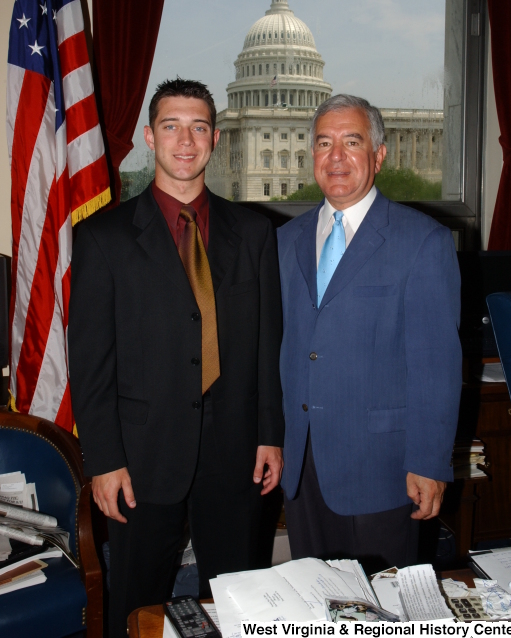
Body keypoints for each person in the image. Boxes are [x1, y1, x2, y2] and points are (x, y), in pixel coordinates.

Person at [69, 78, 284, 637]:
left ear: (215, 140)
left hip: (236, 453)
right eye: (171, 126)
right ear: (148, 137)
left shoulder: (257, 233)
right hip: (140, 459)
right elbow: (90, 364)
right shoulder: (102, 237)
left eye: (197, 128)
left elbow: (267, 345)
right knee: (137, 607)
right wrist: (103, 461)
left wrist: (270, 435)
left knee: (241, 605)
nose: (185, 141)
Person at [277, 94, 461, 571]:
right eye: (323, 143)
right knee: (314, 602)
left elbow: (435, 365)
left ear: (378, 156)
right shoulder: (282, 242)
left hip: (384, 468)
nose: (336, 157)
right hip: (303, 464)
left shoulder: (423, 241)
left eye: (352, 142)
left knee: (384, 611)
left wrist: (430, 460)